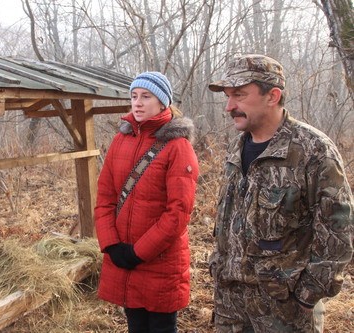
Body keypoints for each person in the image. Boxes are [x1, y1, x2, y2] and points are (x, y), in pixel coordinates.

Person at [208, 54, 353, 333]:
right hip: (230, 306)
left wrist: (307, 296)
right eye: (227, 96)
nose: (229, 106)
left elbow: (339, 231)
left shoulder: (312, 150)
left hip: (284, 312)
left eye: (239, 95)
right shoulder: (235, 149)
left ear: (272, 96)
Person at [95, 71, 199, 333]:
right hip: (124, 257)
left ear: (163, 103)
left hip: (160, 261)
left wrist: (137, 252)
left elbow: (178, 213)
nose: (138, 103)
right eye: (134, 96)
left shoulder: (177, 146)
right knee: (136, 327)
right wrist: (112, 245)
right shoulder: (120, 140)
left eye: (146, 96)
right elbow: (105, 197)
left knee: (161, 328)